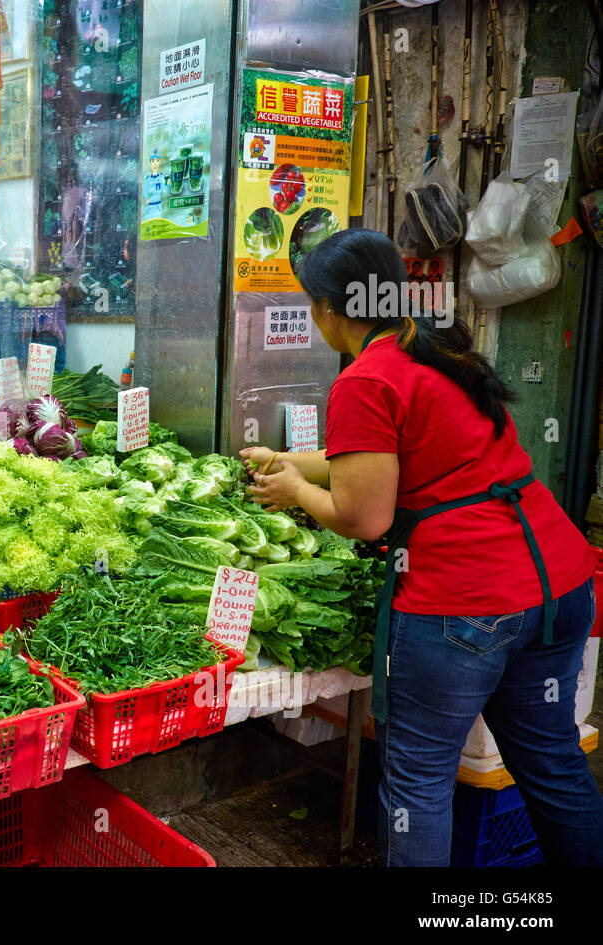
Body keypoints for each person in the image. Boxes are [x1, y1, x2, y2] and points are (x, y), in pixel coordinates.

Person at [240, 228, 603, 866]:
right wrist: (285, 459)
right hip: (555, 583)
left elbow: (363, 515)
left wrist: (297, 490)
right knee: (551, 763)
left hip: (465, 604)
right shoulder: (437, 350)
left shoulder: (363, 379)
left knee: (418, 783)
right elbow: (374, 460)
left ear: (329, 310)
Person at [142, 150, 166, 221]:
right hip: (150, 206)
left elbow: (165, 190)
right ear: (150, 163)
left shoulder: (161, 177)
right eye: (153, 161)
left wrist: (165, 181)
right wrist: (148, 198)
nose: (155, 164)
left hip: (158, 205)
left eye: (157, 161)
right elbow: (145, 191)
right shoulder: (147, 179)